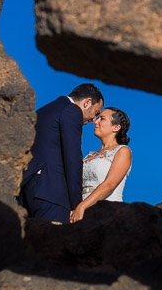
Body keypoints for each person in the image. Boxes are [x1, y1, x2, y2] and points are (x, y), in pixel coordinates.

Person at [19, 83, 103, 223]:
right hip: (51, 193)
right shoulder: (72, 110)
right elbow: (73, 158)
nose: (94, 119)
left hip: (28, 190)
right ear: (87, 102)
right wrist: (76, 204)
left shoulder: (43, 111)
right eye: (96, 112)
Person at [70, 107, 132, 223]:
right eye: (97, 118)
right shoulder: (89, 156)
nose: (96, 121)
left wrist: (82, 206)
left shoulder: (123, 151)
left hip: (107, 211)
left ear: (116, 127)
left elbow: (110, 184)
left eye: (102, 119)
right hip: (80, 212)